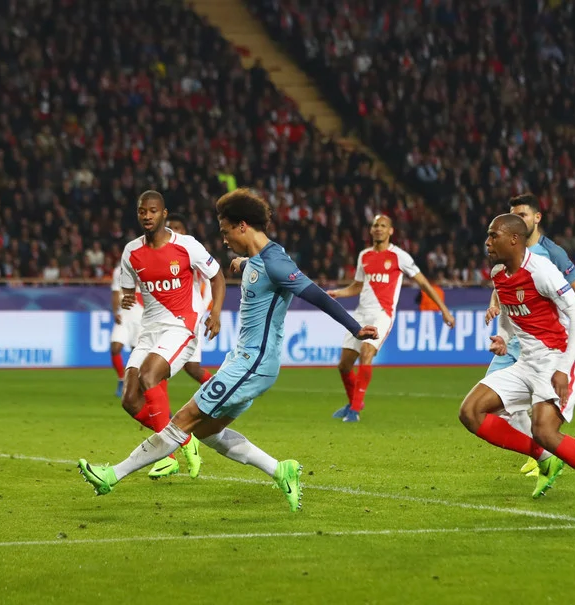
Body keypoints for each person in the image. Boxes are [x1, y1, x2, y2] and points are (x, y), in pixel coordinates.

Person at [78, 188, 377, 511]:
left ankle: (112, 475)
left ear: (243, 226)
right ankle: (280, 470)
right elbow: (260, 265)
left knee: (182, 420)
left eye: (225, 232)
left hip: (254, 363)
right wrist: (243, 261)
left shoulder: (276, 262)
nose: (223, 241)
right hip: (243, 360)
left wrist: (355, 328)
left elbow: (315, 294)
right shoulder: (261, 258)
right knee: (206, 432)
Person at [458, 214, 575, 513]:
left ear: (514, 239)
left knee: (545, 431)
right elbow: (507, 308)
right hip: (526, 361)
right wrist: (502, 336)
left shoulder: (542, 271)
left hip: (556, 359)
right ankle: (543, 456)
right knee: (470, 412)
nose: (487, 242)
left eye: (493, 235)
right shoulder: (499, 272)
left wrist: (563, 368)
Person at [483, 194, 575, 477]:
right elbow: (505, 288)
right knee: (490, 402)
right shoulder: (502, 259)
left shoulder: (551, 255)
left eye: (523, 214)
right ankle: (539, 453)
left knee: (538, 417)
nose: (518, 219)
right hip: (517, 341)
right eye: (514, 214)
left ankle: (543, 453)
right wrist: (496, 308)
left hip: (547, 342)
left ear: (536, 218)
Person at [115, 191, 226, 480]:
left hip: (181, 326)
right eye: (142, 212)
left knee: (149, 377)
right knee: (129, 399)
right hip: (148, 331)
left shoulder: (186, 245)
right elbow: (128, 289)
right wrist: (127, 298)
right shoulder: (131, 252)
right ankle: (185, 440)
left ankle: (168, 455)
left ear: (164, 214)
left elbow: (217, 276)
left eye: (153, 211)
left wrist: (215, 313)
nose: (147, 216)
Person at [326, 215, 454, 422]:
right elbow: (358, 286)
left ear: (391, 231)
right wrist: (339, 293)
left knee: (367, 352)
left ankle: (355, 411)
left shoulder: (399, 256)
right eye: (375, 225)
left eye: (383, 226)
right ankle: (353, 402)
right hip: (360, 313)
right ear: (371, 230)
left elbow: (423, 283)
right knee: (344, 365)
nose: (378, 229)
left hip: (381, 314)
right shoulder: (364, 256)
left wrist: (444, 309)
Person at [166, 213, 216, 387]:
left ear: (184, 231)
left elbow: (212, 279)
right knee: (190, 367)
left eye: (176, 228)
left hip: (186, 316)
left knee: (186, 366)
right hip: (164, 315)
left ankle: (222, 393)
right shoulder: (156, 250)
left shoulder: (190, 250)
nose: (172, 231)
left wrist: (205, 308)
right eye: (169, 227)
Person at [110, 259, 143, 399]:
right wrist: (115, 311)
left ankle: (134, 384)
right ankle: (121, 379)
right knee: (115, 347)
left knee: (136, 352)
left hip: (141, 315)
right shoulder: (119, 271)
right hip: (124, 314)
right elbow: (116, 292)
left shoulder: (146, 268)